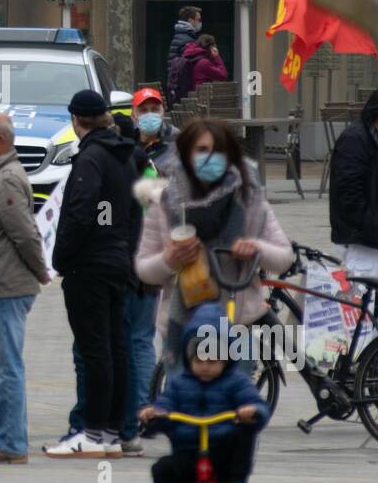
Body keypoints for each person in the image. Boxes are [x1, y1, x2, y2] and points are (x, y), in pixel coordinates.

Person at [135, 119, 293, 375]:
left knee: (234, 409)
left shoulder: (249, 198)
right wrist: (169, 259)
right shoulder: (163, 203)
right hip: (183, 327)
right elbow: (144, 269)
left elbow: (284, 257)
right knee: (184, 410)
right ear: (185, 153)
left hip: (237, 325)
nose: (210, 158)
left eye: (218, 151)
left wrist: (255, 248)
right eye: (201, 150)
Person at [46, 91, 139, 458]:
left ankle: (94, 431)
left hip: (90, 265)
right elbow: (134, 213)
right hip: (117, 261)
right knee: (116, 348)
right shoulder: (125, 155)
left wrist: (62, 256)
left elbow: (81, 213)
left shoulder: (90, 159)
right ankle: (113, 430)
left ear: (76, 120)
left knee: (94, 350)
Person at [139, 302, 270, 483]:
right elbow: (164, 407)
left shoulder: (236, 382)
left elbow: (258, 406)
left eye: (213, 359)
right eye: (199, 359)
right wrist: (153, 415)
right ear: (188, 358)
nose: (206, 366)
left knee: (243, 434)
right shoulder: (179, 384)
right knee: (162, 469)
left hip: (222, 454)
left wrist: (252, 412)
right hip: (188, 453)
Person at [0, 112, 49, 463]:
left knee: (8, 367)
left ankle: (12, 444)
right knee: (6, 366)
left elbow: (24, 233)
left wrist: (40, 271)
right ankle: (9, 441)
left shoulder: (5, 181)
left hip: (6, 284)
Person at [117, 88, 178, 455]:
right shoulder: (130, 149)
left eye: (156, 107)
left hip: (156, 253)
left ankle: (143, 409)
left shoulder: (175, 152)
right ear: (134, 113)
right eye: (145, 108)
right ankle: (140, 405)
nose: (151, 113)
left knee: (141, 337)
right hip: (130, 254)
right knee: (134, 337)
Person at [329, 88, 378, 285]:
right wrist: (375, 228)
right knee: (363, 305)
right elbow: (348, 192)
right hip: (363, 241)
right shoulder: (355, 140)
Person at [166, 5, 202, 96]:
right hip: (182, 86)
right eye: (198, 20)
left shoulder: (181, 35)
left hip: (176, 84)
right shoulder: (187, 39)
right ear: (190, 20)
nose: (200, 22)